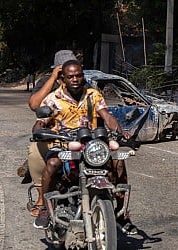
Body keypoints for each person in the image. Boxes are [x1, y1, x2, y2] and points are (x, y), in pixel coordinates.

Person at [32, 60, 137, 234]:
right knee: (52, 164)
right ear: (63, 79)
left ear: (83, 76)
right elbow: (40, 121)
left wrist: (120, 131)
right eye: (70, 76)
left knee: (118, 162)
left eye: (78, 75)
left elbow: (107, 116)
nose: (75, 79)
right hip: (63, 143)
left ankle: (121, 214)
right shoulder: (53, 99)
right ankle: (44, 207)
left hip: (92, 144)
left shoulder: (93, 95)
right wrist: (39, 131)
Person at [27, 50, 78, 218]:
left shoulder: (82, 84)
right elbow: (35, 104)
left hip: (78, 134)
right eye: (63, 70)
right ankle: (42, 199)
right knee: (35, 153)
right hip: (52, 135)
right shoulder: (47, 83)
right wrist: (52, 79)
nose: (71, 76)